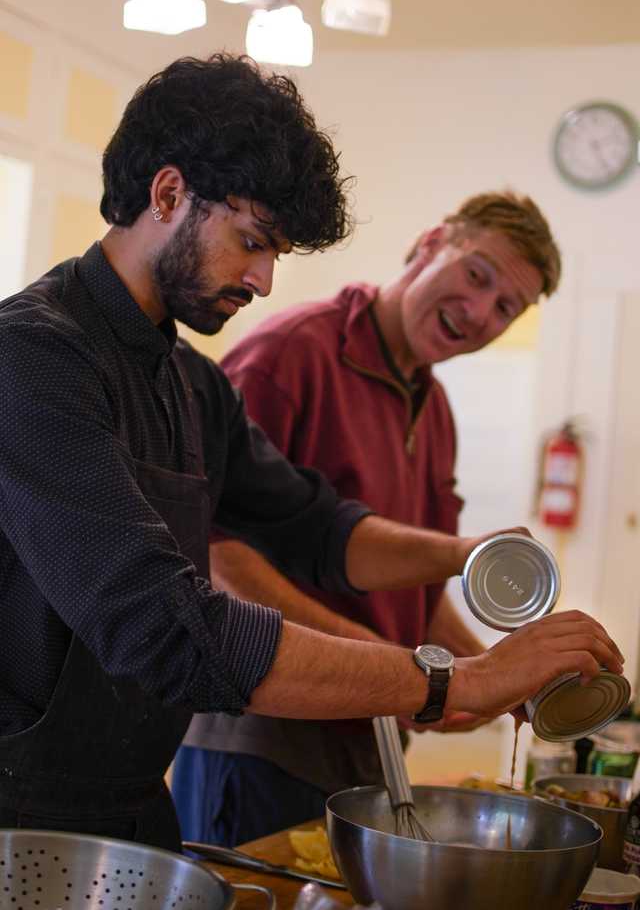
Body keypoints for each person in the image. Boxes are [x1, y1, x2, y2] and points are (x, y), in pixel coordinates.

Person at [0, 53, 623, 853]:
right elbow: (168, 625)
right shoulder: (32, 358)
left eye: (275, 253)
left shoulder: (193, 383)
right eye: (252, 240)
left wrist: (472, 556)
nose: (262, 278)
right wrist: (451, 678)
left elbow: (319, 529)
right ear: (166, 194)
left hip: (132, 810)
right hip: (21, 816)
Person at [171, 190, 566, 845]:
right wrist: (405, 673)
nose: (478, 312)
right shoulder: (292, 351)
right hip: (259, 733)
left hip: (370, 731)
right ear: (434, 239)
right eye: (477, 275)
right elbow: (214, 550)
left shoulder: (433, 409)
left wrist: (506, 680)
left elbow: (412, 597)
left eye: (506, 308)